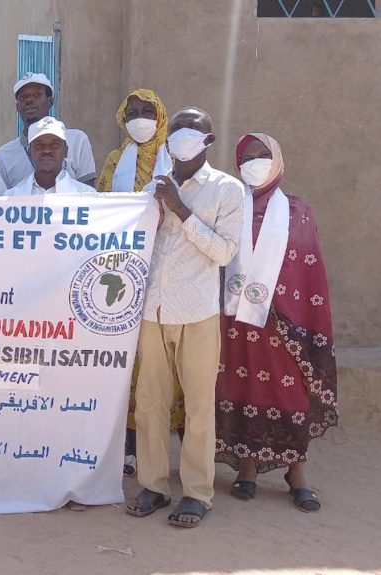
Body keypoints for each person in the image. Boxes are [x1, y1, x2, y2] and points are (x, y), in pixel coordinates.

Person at [125, 107, 244, 528]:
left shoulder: (227, 190)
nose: (181, 136)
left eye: (191, 130)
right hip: (152, 310)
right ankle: (154, 485)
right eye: (175, 129)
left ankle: (197, 494)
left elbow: (226, 252)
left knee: (197, 406)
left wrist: (180, 209)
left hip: (196, 311)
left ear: (208, 140)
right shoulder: (154, 185)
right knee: (150, 405)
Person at [216, 133, 337, 512]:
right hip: (236, 322)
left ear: (278, 160)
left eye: (263, 155)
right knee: (242, 390)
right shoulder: (229, 207)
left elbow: (308, 267)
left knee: (290, 394)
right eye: (248, 157)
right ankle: (247, 469)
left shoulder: (297, 210)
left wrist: (282, 306)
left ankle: (297, 473)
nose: (255, 162)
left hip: (285, 322)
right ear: (238, 166)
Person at [95, 88, 182, 478]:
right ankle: (129, 444)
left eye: (148, 111)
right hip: (125, 270)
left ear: (161, 115)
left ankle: (178, 444)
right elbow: (101, 208)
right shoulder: (117, 161)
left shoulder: (179, 160)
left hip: (170, 270)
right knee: (129, 360)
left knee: (168, 360)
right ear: (122, 117)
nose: (140, 118)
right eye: (133, 112)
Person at [0, 72, 96, 188]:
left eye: (36, 95)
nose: (29, 100)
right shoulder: (4, 154)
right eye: (23, 97)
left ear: (50, 101)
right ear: (17, 107)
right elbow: (4, 203)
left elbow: (88, 198)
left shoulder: (78, 140)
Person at [4, 116, 94, 196]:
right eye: (39, 145)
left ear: (66, 151)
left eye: (54, 144)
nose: (47, 150)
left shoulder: (87, 196)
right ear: (30, 152)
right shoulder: (12, 197)